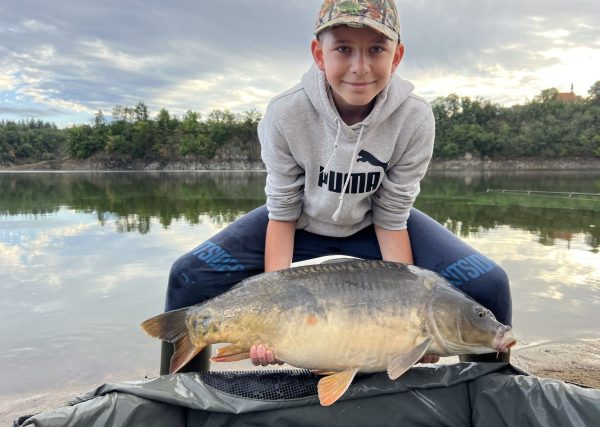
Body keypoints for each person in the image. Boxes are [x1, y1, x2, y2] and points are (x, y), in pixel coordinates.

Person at [160, 0, 512, 375]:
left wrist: (408, 330)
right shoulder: (285, 112)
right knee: (188, 276)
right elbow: (281, 211)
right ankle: (179, 397)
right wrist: (275, 321)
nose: (360, 67)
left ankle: (481, 396)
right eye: (343, 48)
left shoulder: (414, 117)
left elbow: (393, 215)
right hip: (299, 219)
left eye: (376, 49)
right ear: (319, 54)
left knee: (489, 284)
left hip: (373, 223)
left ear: (396, 57)